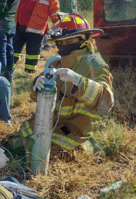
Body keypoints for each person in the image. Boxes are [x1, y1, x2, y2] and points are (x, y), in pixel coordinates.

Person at [7, 13, 114, 160]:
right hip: (51, 122)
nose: (62, 46)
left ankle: (89, 146)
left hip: (76, 130)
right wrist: (36, 84)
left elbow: (106, 103)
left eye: (68, 40)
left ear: (82, 39)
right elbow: (34, 98)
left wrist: (79, 82)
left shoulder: (95, 65)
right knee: (13, 143)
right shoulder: (56, 63)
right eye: (59, 42)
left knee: (37, 152)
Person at [13, 0, 60, 73]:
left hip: (36, 30)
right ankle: (8, 71)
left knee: (32, 53)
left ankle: (29, 75)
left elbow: (54, 12)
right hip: (19, 27)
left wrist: (58, 23)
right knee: (13, 51)